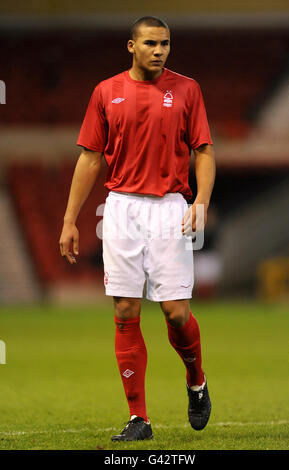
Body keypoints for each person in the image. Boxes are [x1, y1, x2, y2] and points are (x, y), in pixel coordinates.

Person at [59, 16, 216, 442]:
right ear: (131, 46)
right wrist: (71, 219)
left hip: (170, 208)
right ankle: (138, 418)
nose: (160, 50)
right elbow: (90, 158)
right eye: (150, 43)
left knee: (176, 313)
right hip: (122, 208)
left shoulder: (188, 89)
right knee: (126, 311)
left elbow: (203, 151)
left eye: (165, 43)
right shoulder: (105, 92)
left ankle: (196, 380)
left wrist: (200, 201)